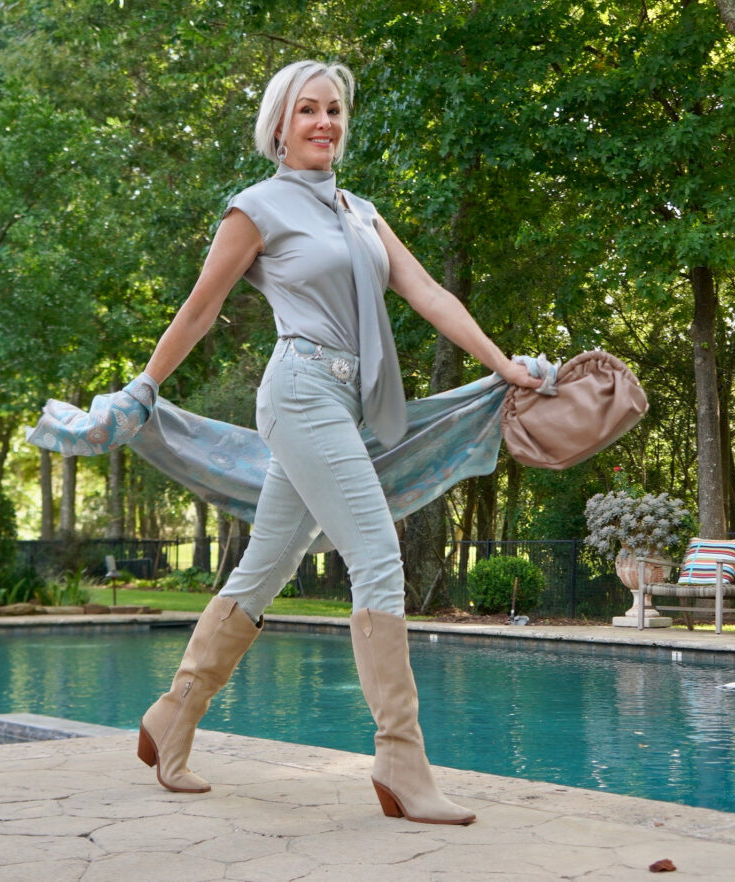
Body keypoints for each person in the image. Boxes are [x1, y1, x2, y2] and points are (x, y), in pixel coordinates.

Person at [135, 59, 540, 826]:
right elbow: (199, 310)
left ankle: (173, 715)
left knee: (268, 566)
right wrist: (145, 387)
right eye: (308, 111)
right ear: (279, 128)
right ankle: (401, 763)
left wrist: (504, 365)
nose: (325, 122)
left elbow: (429, 294)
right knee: (378, 554)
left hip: (343, 404)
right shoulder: (255, 209)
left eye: (335, 110)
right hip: (298, 392)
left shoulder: (361, 213)